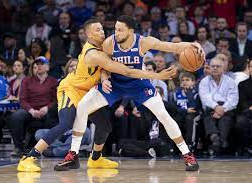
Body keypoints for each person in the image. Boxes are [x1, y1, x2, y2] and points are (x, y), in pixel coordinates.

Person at [17, 18, 177, 172]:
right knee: (66, 123)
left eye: (102, 29)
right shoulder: (93, 53)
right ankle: (29, 158)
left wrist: (105, 78)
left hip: (87, 91)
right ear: (89, 35)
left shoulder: (104, 47)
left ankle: (95, 159)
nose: (102, 32)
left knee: (105, 126)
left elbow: (102, 70)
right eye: (98, 30)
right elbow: (125, 70)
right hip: (71, 89)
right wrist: (157, 76)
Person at [56, 15, 204, 172]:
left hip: (138, 83)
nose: (116, 33)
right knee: (83, 106)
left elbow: (172, 46)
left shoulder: (144, 42)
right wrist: (105, 79)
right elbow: (105, 66)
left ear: (131, 31)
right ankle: (73, 155)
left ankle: (187, 155)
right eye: (115, 29)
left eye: (120, 30)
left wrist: (193, 44)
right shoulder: (109, 44)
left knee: (163, 115)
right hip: (116, 83)